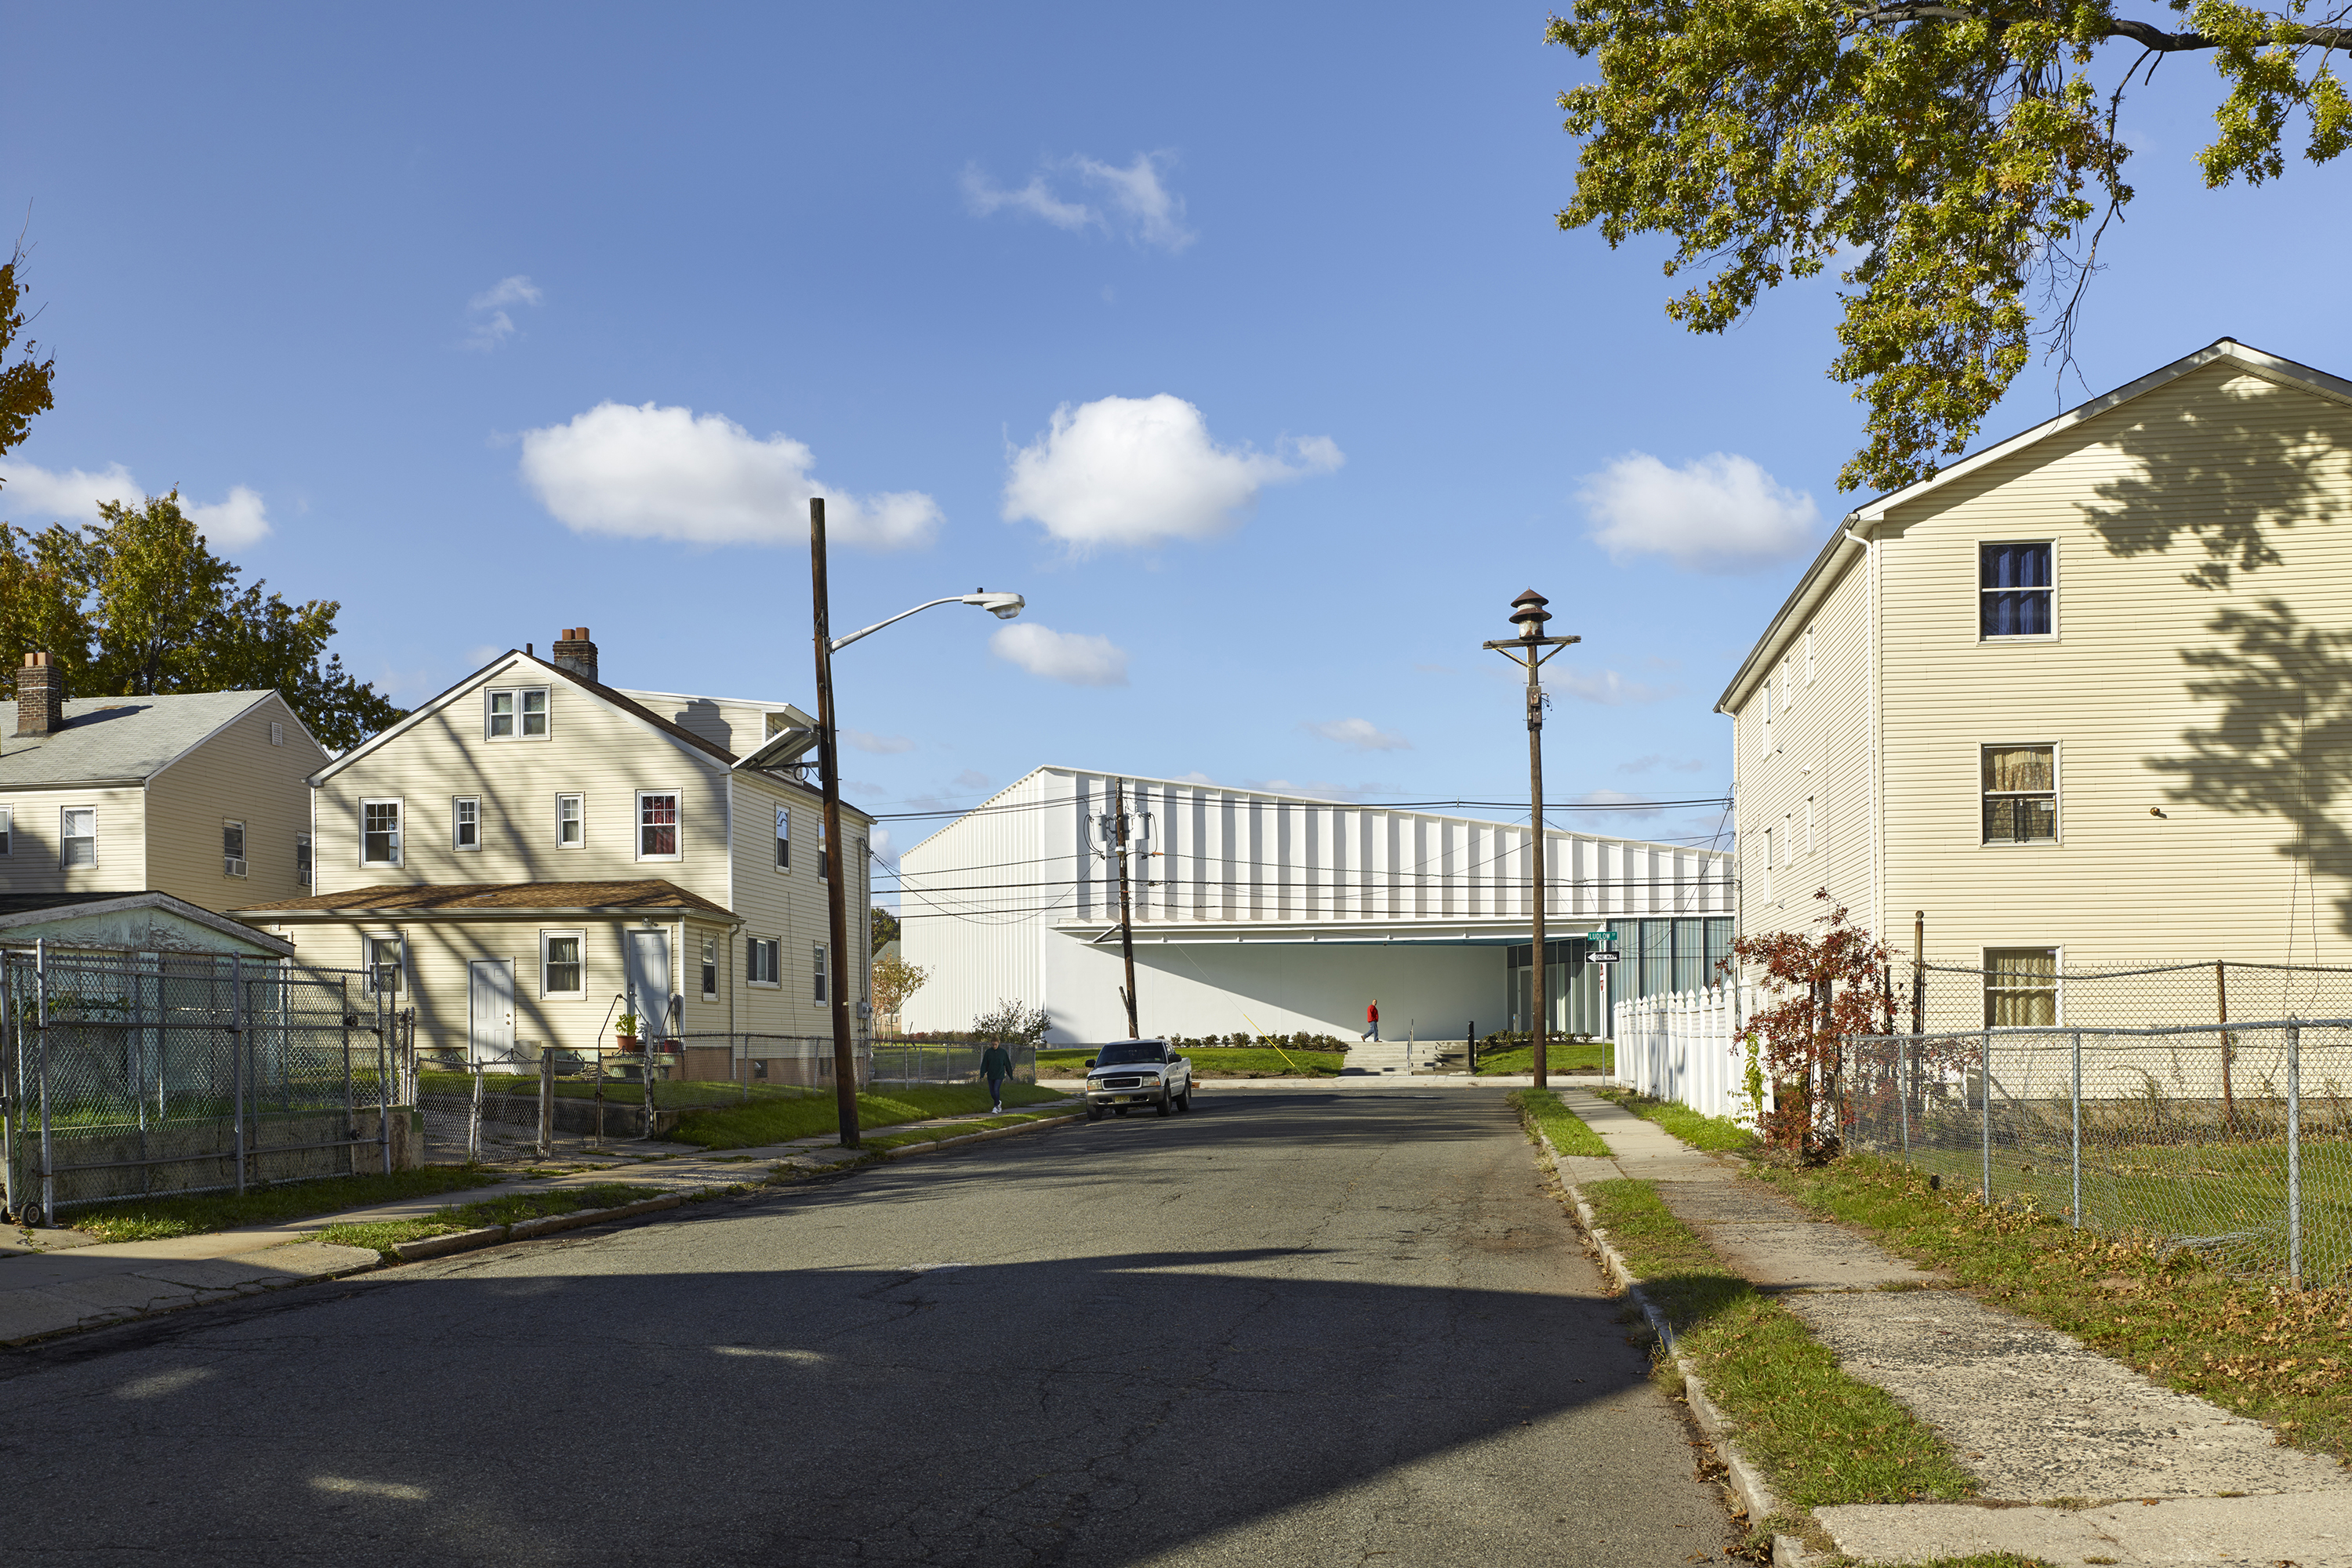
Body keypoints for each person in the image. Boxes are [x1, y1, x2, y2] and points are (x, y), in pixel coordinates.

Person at [979, 1038, 1014, 1112]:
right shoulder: (988, 1052)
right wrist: (982, 1074)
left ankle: (995, 1107)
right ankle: (998, 1103)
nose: (994, 1046)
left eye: (996, 1045)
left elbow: (1007, 1064)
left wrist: (1010, 1075)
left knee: (996, 1089)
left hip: (999, 1074)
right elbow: (985, 1064)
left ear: (998, 1044)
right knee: (992, 1092)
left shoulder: (1003, 1052)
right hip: (991, 1074)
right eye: (993, 1045)